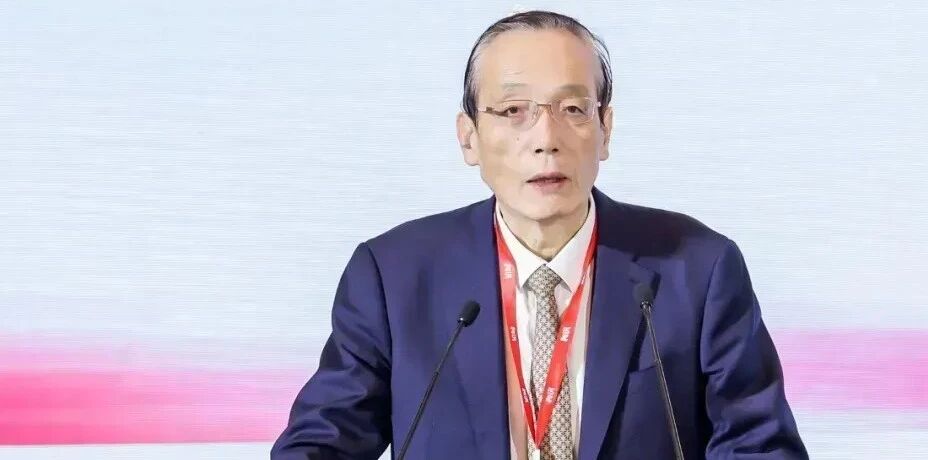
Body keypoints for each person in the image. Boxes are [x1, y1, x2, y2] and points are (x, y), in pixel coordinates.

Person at [272, 10, 807, 460]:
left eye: (573, 109)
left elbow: (760, 447)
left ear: (605, 130)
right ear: (468, 137)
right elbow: (320, 444)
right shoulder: (393, 276)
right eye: (514, 111)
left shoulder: (698, 270)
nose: (546, 139)